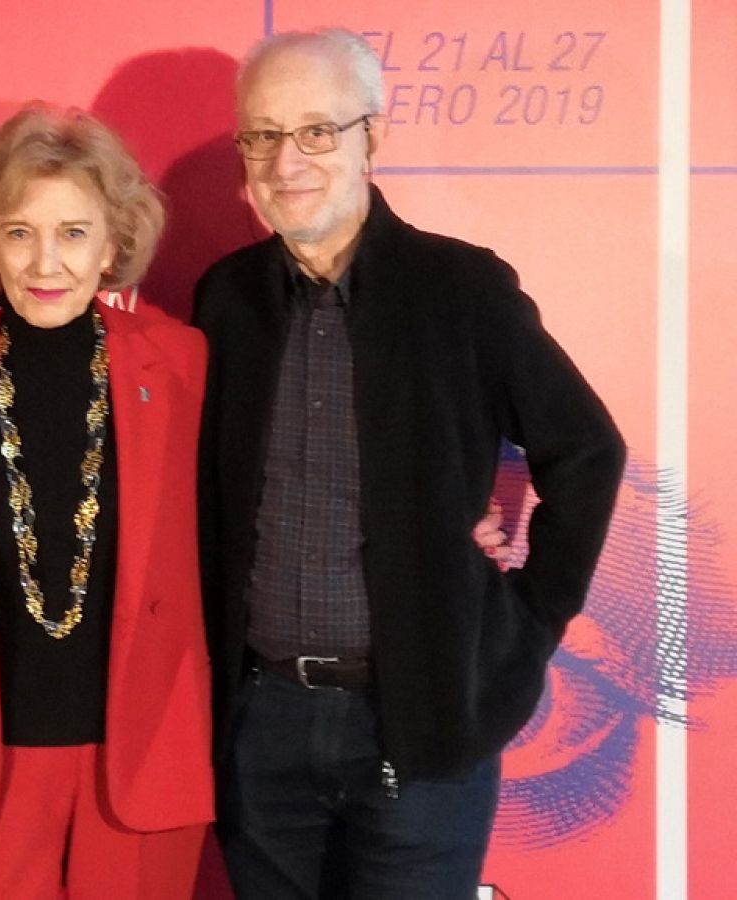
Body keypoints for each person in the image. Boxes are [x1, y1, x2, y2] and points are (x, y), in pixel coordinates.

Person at [192, 28, 627, 899]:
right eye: (263, 134)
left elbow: (586, 451)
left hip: (421, 724)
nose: (287, 160)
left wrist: (524, 621)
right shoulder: (224, 297)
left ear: (373, 137)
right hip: (259, 729)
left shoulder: (461, 291)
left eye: (317, 130)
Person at [0, 105, 214, 900]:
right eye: (20, 231)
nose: (45, 260)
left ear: (112, 244)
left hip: (142, 755)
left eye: (73, 232)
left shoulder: (181, 364)